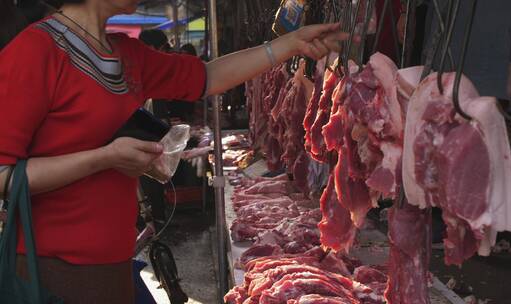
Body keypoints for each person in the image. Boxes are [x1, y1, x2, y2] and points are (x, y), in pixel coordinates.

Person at [0, 0, 346, 303]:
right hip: (53, 268)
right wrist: (103, 158)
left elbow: (207, 77)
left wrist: (289, 45)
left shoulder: (123, 52)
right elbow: (3, 176)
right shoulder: (35, 51)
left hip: (114, 262)